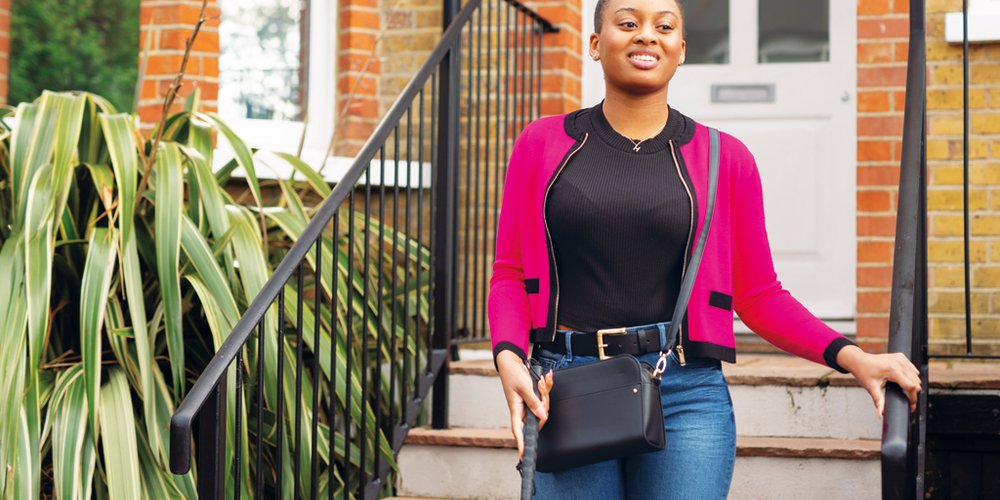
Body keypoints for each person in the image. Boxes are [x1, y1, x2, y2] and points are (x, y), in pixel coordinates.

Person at [487, 0, 922, 497]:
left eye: (664, 26)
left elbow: (759, 295)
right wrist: (509, 357)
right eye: (627, 23)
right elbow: (510, 273)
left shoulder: (724, 159)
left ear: (681, 49)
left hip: (685, 391)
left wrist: (852, 356)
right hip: (565, 386)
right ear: (594, 44)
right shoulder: (542, 144)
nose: (646, 35)